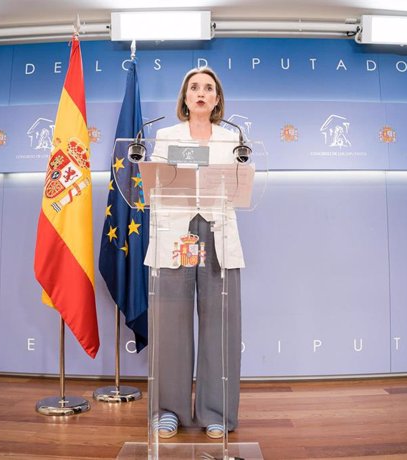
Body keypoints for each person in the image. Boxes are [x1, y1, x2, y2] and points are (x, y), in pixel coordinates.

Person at [143, 67, 245, 440]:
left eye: (209, 88)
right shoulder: (165, 136)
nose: (201, 93)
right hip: (176, 233)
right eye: (194, 88)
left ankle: (216, 411)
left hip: (216, 232)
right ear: (184, 98)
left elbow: (240, 186)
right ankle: (169, 410)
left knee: (221, 325)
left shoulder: (231, 138)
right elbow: (154, 184)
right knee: (171, 324)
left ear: (217, 99)